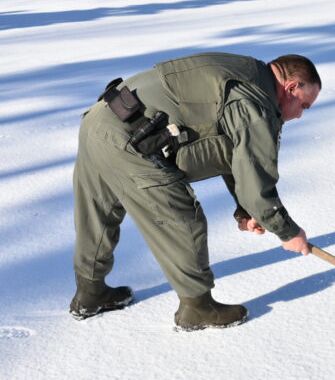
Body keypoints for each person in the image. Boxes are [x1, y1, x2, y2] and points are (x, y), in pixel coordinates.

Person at [69, 52, 321, 330]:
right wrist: (287, 231)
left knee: (99, 212)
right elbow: (256, 179)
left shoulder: (243, 73)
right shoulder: (255, 103)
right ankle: (198, 309)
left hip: (99, 120)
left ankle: (90, 294)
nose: (299, 115)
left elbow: (230, 152)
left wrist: (245, 208)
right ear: (291, 87)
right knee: (182, 219)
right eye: (304, 105)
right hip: (130, 138)